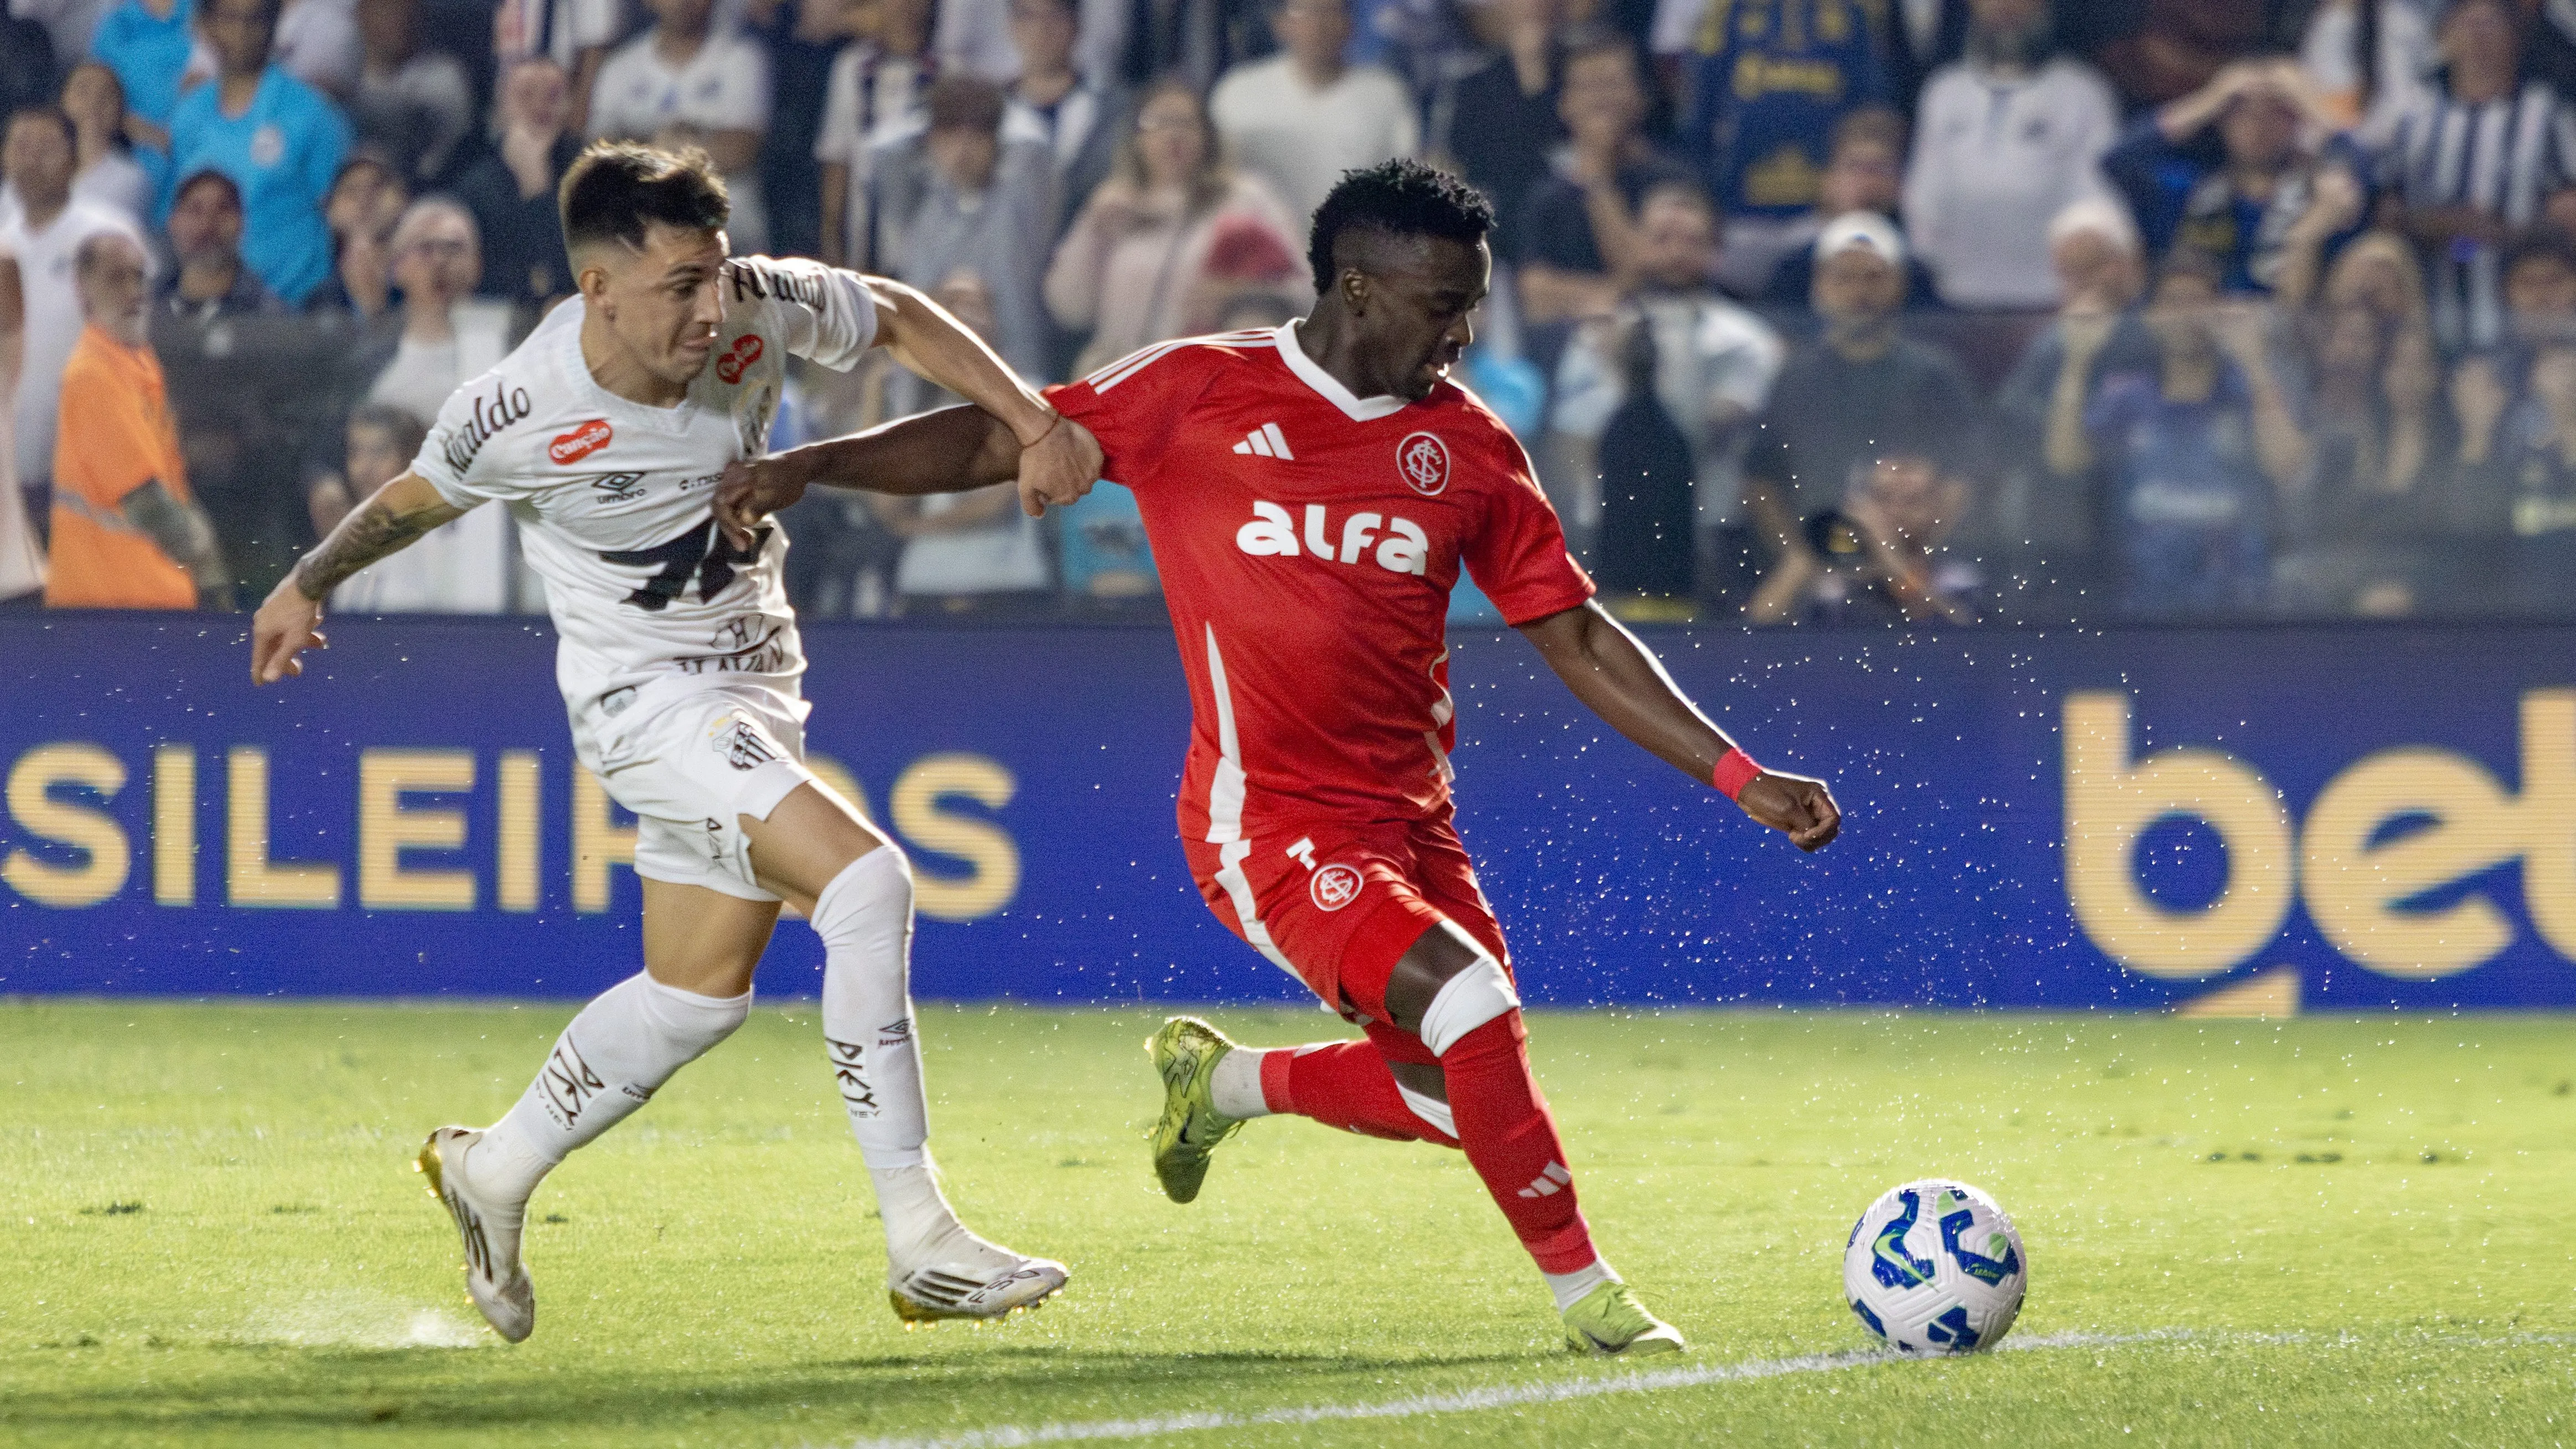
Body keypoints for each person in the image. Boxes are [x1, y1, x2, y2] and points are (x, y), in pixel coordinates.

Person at [721, 158, 1844, 1355]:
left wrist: (1738, 775)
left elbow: (1573, 633)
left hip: (1411, 822)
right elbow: (999, 439)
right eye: (1439, 305)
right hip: (1262, 823)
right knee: (1470, 1009)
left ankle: (1224, 1086)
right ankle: (1591, 1301)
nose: (1460, 333)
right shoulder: (1198, 388)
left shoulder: (1466, 448)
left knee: (1446, 1088)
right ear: (1356, 290)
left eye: (1469, 304)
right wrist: (810, 466)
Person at [247, 141, 1100, 1342]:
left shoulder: (752, 300)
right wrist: (304, 582)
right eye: (678, 289)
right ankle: (922, 1241)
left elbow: (899, 317)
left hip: (760, 688)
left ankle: (493, 1167)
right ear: (597, 289)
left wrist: (1029, 414)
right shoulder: (520, 408)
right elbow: (415, 496)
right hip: (644, 706)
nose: (713, 310)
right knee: (865, 885)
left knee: (694, 998)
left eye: (715, 274)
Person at [1548, 181, 1781, 607]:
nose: (1675, 253)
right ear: (1637, 245)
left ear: (1715, 251)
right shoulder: (1595, 334)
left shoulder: (1746, 341)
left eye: (1691, 241)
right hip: (1611, 531)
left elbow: (1705, 429)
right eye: (1661, 239)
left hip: (1709, 532)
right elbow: (1574, 438)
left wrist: (1629, 369)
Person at [1741, 213, 1982, 595]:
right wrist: (1803, 562)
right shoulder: (1794, 377)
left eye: (1873, 277)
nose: (1859, 292)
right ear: (1819, 287)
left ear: (1899, 285)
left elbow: (1962, 478)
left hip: (1915, 577)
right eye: (1844, 278)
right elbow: (1761, 483)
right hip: (1814, 575)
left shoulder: (1933, 375)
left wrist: (1915, 560)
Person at [2086, 250, 2312, 618]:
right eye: (2173, 303)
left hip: (2238, 604)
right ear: (2150, 317)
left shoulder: (2248, 391)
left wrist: (2254, 362)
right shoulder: (2123, 397)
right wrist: (2079, 362)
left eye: (2198, 302)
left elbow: (2288, 466)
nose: (2186, 315)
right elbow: (2066, 461)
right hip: (2142, 605)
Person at [1043, 77, 1303, 374]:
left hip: (1209, 379)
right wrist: (1092, 231)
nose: (1172, 135)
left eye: (1186, 123)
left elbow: (1305, 287)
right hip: (1122, 379)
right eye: (1157, 123)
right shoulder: (1115, 202)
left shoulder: (1245, 197)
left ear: (1208, 135)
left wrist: (1240, 293)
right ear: (1136, 138)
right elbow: (1070, 310)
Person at [46, 230, 232, 608]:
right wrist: (217, 589)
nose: (134, 290)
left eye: (138, 276)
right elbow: (149, 505)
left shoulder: (138, 361)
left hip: (147, 597)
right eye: (117, 278)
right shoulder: (92, 374)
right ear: (83, 289)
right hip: (108, 603)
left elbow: (170, 482)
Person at [2376, 0, 2573, 348]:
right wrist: (2437, 224)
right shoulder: (2412, 121)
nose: (2478, 36)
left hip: (2524, 322)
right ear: (2443, 38)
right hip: (2427, 322)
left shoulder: (2547, 115)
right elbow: (2385, 215)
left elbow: (2568, 208)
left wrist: (2515, 235)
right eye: (2466, 24)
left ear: (2515, 37)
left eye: (2490, 24)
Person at [1900, 0, 2118, 309]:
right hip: (1954, 299)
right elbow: (1922, 197)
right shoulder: (1943, 91)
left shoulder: (2082, 93)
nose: (2005, 7)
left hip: (2050, 298)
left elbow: (2096, 196)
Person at [2102, 58, 2364, 303]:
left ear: (2297, 121)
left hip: (2285, 336)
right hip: (2197, 332)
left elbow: (2370, 180)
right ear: (2221, 120)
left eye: (2277, 111)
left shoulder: (2320, 197)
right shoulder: (2188, 189)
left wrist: (2314, 107)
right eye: (2240, 111)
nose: (2259, 125)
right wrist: (2210, 99)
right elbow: (2119, 161)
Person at [1676, 0, 1891, 289]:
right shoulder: (1725, 13)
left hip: (1821, 222)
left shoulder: (1848, 14)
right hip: (1739, 219)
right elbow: (1698, 124)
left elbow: (1870, 117)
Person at [3, 106, 145, 526]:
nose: (31, 159)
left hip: (87, 462)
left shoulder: (108, 234)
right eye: (20, 146)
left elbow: (132, 344)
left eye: (46, 147)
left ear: (74, 156)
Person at [164, 0, 351, 306]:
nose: (243, 31)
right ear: (207, 26)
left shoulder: (312, 112)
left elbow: (339, 218)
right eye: (229, 19)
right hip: (209, 306)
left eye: (256, 20)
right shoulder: (188, 114)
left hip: (296, 310)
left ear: (273, 26)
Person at [871, 77, 1054, 384]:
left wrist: (996, 110)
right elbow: (882, 148)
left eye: (978, 135)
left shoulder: (1019, 206)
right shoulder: (917, 211)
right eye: (949, 134)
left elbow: (1034, 143)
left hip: (1018, 377)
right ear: (929, 140)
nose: (963, 149)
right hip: (924, 386)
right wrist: (927, 116)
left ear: (998, 140)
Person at [1514, 28, 1693, 332]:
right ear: (1565, 104)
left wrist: (1597, 176)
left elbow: (1647, 276)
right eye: (1588, 86)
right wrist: (1617, 294)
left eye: (1613, 84)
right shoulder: (1546, 193)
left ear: (1641, 97)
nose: (1602, 100)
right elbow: (1536, 298)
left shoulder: (1674, 180)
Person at [1209, 0, 1417, 231]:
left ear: (1351, 23)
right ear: (1281, 23)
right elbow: (1213, 182)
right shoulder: (1238, 92)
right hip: (1260, 254)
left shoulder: (1385, 95)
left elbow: (1407, 182)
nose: (1318, 26)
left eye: (1331, 12)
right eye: (1306, 12)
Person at [589, 0, 773, 251]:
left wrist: (647, 148)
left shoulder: (743, 58)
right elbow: (601, 155)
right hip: (641, 236)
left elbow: (740, 150)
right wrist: (688, 145)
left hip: (730, 234)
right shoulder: (619, 67)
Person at [1756, 106, 1941, 308]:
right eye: (1854, 167)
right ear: (1828, 179)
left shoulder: (1917, 275)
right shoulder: (1794, 271)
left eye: (1881, 169)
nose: (1867, 182)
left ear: (1899, 183)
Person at [1427, 0, 1561, 259]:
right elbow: (1448, 165)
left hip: (1570, 236)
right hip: (1495, 241)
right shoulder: (1470, 86)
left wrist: (1533, 70)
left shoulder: (1584, 73)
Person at [452, 56, 581, 308]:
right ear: (502, 106)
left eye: (553, 95)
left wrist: (538, 187)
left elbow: (574, 271)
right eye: (526, 95)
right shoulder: (474, 186)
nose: (540, 106)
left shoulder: (592, 177)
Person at [814, 0, 932, 270]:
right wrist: (832, 237)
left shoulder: (948, 69)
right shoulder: (851, 67)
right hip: (864, 229)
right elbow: (837, 156)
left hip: (923, 227)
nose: (905, 7)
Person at [1003, 0, 1119, 240]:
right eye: (1030, 17)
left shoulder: (1115, 108)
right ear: (1012, 26)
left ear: (1076, 23)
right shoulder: (990, 114)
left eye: (1055, 16)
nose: (1043, 30)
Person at [350, 0, 473, 184]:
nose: (397, 21)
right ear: (362, 15)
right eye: (385, 10)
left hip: (427, 187)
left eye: (405, 12)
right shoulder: (344, 74)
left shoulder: (443, 76)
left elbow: (452, 153)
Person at [156, 166, 283, 319]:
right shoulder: (145, 308)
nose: (207, 225)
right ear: (173, 222)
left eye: (223, 210)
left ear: (241, 223)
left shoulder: (269, 316)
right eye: (195, 210)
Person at [303, 149, 405, 318]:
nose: (365, 200)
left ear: (404, 199)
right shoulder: (317, 307)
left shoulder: (428, 288)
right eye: (351, 190)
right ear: (329, 210)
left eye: (378, 186)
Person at [60, 61, 150, 224]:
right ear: (64, 100)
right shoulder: (37, 169)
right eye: (83, 91)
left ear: (120, 111)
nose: (94, 102)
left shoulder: (131, 179)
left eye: (106, 95)